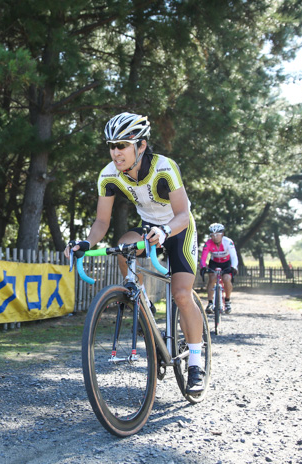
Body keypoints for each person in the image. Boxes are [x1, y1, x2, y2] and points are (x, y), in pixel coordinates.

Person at [65, 112, 205, 394]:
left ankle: (195, 363)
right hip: (149, 227)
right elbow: (101, 222)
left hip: (178, 227)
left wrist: (166, 231)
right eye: (112, 146)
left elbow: (183, 214)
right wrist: (86, 243)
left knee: (181, 294)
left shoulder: (165, 167)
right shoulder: (108, 175)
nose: (116, 152)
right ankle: (144, 306)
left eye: (122, 145)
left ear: (140, 146)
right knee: (123, 244)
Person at [199, 223, 238, 314]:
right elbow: (203, 258)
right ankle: (210, 302)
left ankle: (227, 301)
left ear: (222, 234)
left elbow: (234, 256)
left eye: (217, 234)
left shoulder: (228, 242)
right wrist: (203, 267)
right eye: (212, 235)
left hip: (226, 263)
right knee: (212, 278)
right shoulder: (208, 243)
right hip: (214, 262)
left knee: (226, 278)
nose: (215, 237)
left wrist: (234, 267)